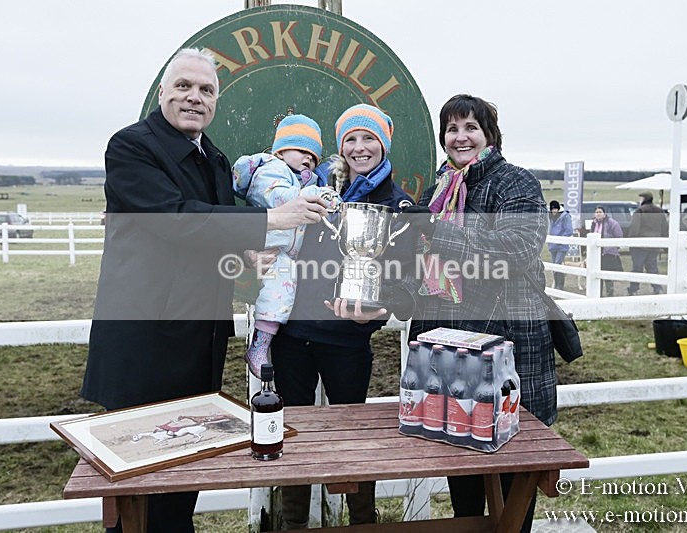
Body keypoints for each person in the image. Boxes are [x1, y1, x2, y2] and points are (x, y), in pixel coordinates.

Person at [81, 48, 327, 533]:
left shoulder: (212, 158)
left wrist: (244, 258)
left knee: (181, 490)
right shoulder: (130, 147)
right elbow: (173, 220)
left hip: (200, 345)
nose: (195, 97)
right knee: (137, 495)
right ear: (163, 92)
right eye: (184, 86)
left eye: (206, 90)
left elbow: (207, 242)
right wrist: (272, 218)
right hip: (144, 346)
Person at [404, 94, 556, 533]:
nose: (461, 137)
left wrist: (437, 232)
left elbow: (516, 251)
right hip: (448, 350)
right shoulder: (440, 188)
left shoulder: (515, 183)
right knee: (460, 465)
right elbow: (424, 267)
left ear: (489, 134)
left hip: (505, 346)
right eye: (452, 129)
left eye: (471, 127)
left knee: (511, 474)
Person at [270, 104, 415, 529]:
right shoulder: (314, 188)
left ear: (383, 144)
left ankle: (361, 521)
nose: (359, 147)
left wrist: (374, 308)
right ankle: (291, 521)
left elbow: (403, 277)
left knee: (355, 440)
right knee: (290, 433)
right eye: (350, 139)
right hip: (292, 334)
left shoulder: (396, 203)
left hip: (347, 341)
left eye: (368, 138)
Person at [232, 114, 341, 377]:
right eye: (302, 150)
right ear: (281, 151)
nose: (308, 159)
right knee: (276, 295)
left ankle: (263, 343)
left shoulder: (306, 181)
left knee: (284, 294)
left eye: (313, 157)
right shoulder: (271, 170)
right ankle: (259, 346)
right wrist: (315, 196)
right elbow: (277, 197)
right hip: (271, 245)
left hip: (289, 252)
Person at [626, 191, 668, 295]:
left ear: (644, 199)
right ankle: (657, 288)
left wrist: (631, 241)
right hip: (655, 244)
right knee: (652, 267)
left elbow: (635, 228)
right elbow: (665, 228)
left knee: (637, 267)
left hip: (640, 245)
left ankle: (634, 289)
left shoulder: (640, 211)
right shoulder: (660, 211)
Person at [589, 205, 624, 296]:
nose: (598, 214)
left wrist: (613, 247)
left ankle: (610, 292)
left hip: (608, 252)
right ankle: (598, 293)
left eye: (600, 212)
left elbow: (618, 235)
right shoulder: (593, 223)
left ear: (604, 214)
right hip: (597, 253)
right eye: (596, 212)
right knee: (596, 273)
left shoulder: (612, 223)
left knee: (607, 273)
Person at [547, 200, 573, 289]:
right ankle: (557, 284)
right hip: (552, 244)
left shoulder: (565, 217)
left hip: (561, 245)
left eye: (555, 209)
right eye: (552, 209)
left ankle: (560, 285)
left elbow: (569, 230)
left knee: (557, 263)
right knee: (554, 265)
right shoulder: (550, 217)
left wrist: (560, 239)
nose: (554, 211)